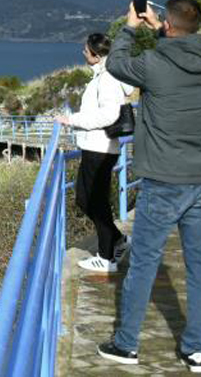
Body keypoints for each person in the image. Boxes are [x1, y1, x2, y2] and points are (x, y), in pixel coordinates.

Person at [96, 0, 201, 373]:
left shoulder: (153, 62)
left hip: (163, 181)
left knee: (143, 263)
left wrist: (131, 28)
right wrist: (164, 31)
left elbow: (117, 63)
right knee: (199, 265)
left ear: (167, 25)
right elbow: (186, 55)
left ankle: (126, 344)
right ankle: (196, 351)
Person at [57, 33, 134, 273]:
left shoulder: (108, 78)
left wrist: (71, 120)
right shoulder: (103, 75)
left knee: (94, 201)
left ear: (96, 55)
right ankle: (117, 241)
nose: (83, 53)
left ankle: (106, 257)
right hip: (97, 147)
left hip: (99, 148)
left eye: (86, 50)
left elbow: (109, 114)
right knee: (86, 198)